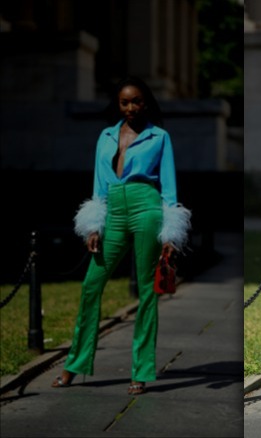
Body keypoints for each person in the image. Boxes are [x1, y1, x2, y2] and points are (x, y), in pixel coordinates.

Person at [51, 76, 191, 395]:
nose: (131, 107)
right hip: (111, 211)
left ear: (146, 103)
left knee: (146, 291)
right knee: (91, 286)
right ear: (118, 104)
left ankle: (141, 370)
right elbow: (98, 185)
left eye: (137, 101)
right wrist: (93, 226)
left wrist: (170, 231)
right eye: (125, 102)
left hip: (147, 209)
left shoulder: (160, 137)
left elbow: (169, 188)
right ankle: (75, 364)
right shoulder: (106, 136)